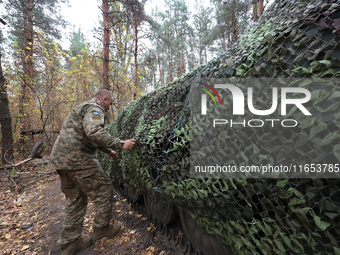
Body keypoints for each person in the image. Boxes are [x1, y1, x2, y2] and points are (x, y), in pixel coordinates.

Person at [49, 89, 136, 255]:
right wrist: (119, 143)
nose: (109, 108)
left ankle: (70, 243)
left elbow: (85, 134)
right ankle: (102, 228)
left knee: (76, 199)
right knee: (104, 189)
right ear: (104, 99)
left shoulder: (83, 108)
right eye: (110, 104)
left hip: (61, 160)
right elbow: (93, 131)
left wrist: (108, 150)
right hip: (77, 158)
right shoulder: (95, 109)